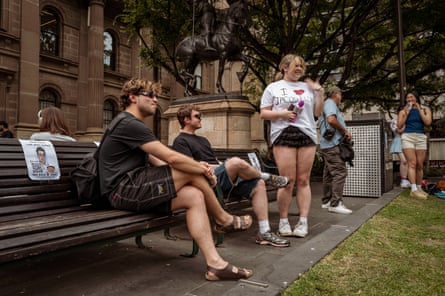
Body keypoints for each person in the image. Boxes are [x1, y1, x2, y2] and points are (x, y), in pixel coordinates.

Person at [98, 78, 253, 281]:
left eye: (156, 95)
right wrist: (199, 170)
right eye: (150, 95)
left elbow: (158, 162)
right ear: (133, 98)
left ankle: (215, 265)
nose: (156, 99)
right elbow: (170, 157)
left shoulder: (132, 125)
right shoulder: (128, 123)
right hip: (121, 191)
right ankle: (223, 219)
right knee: (190, 171)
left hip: (133, 187)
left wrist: (196, 170)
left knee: (194, 196)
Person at [172, 104, 290, 248]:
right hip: (207, 182)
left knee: (258, 184)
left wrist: (223, 165)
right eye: (197, 116)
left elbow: (214, 161)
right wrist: (227, 166)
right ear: (186, 120)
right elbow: (190, 168)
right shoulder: (180, 141)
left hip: (223, 179)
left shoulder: (203, 140)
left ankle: (264, 233)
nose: (200, 118)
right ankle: (268, 177)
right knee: (234, 163)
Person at [260, 54, 324, 238]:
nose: (299, 69)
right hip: (283, 133)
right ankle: (283, 220)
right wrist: (282, 114)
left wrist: (319, 92)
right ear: (284, 67)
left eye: (302, 66)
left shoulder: (308, 88)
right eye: (296, 65)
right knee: (287, 181)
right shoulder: (273, 88)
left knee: (304, 180)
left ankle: (303, 222)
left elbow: (317, 112)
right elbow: (263, 113)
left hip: (307, 134)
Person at [318, 86, 353, 214]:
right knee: (340, 172)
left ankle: (327, 201)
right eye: (340, 94)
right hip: (332, 145)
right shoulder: (330, 103)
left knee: (328, 174)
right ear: (336, 94)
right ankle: (336, 203)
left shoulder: (326, 104)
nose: (341, 97)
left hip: (327, 145)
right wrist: (345, 131)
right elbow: (331, 119)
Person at [397, 90, 432, 200]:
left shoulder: (425, 109)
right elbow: (399, 125)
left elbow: (427, 122)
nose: (410, 100)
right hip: (408, 137)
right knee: (412, 163)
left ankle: (419, 187)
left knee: (420, 164)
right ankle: (413, 189)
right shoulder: (403, 111)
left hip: (420, 137)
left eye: (412, 97)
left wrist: (420, 110)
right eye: (408, 98)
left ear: (416, 98)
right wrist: (406, 113)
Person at [390, 106, 410, 188]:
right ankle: (403, 180)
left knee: (409, 161)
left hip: (408, 141)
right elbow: (399, 131)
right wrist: (406, 125)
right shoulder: (394, 121)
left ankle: (408, 180)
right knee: (404, 161)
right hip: (399, 141)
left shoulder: (409, 120)